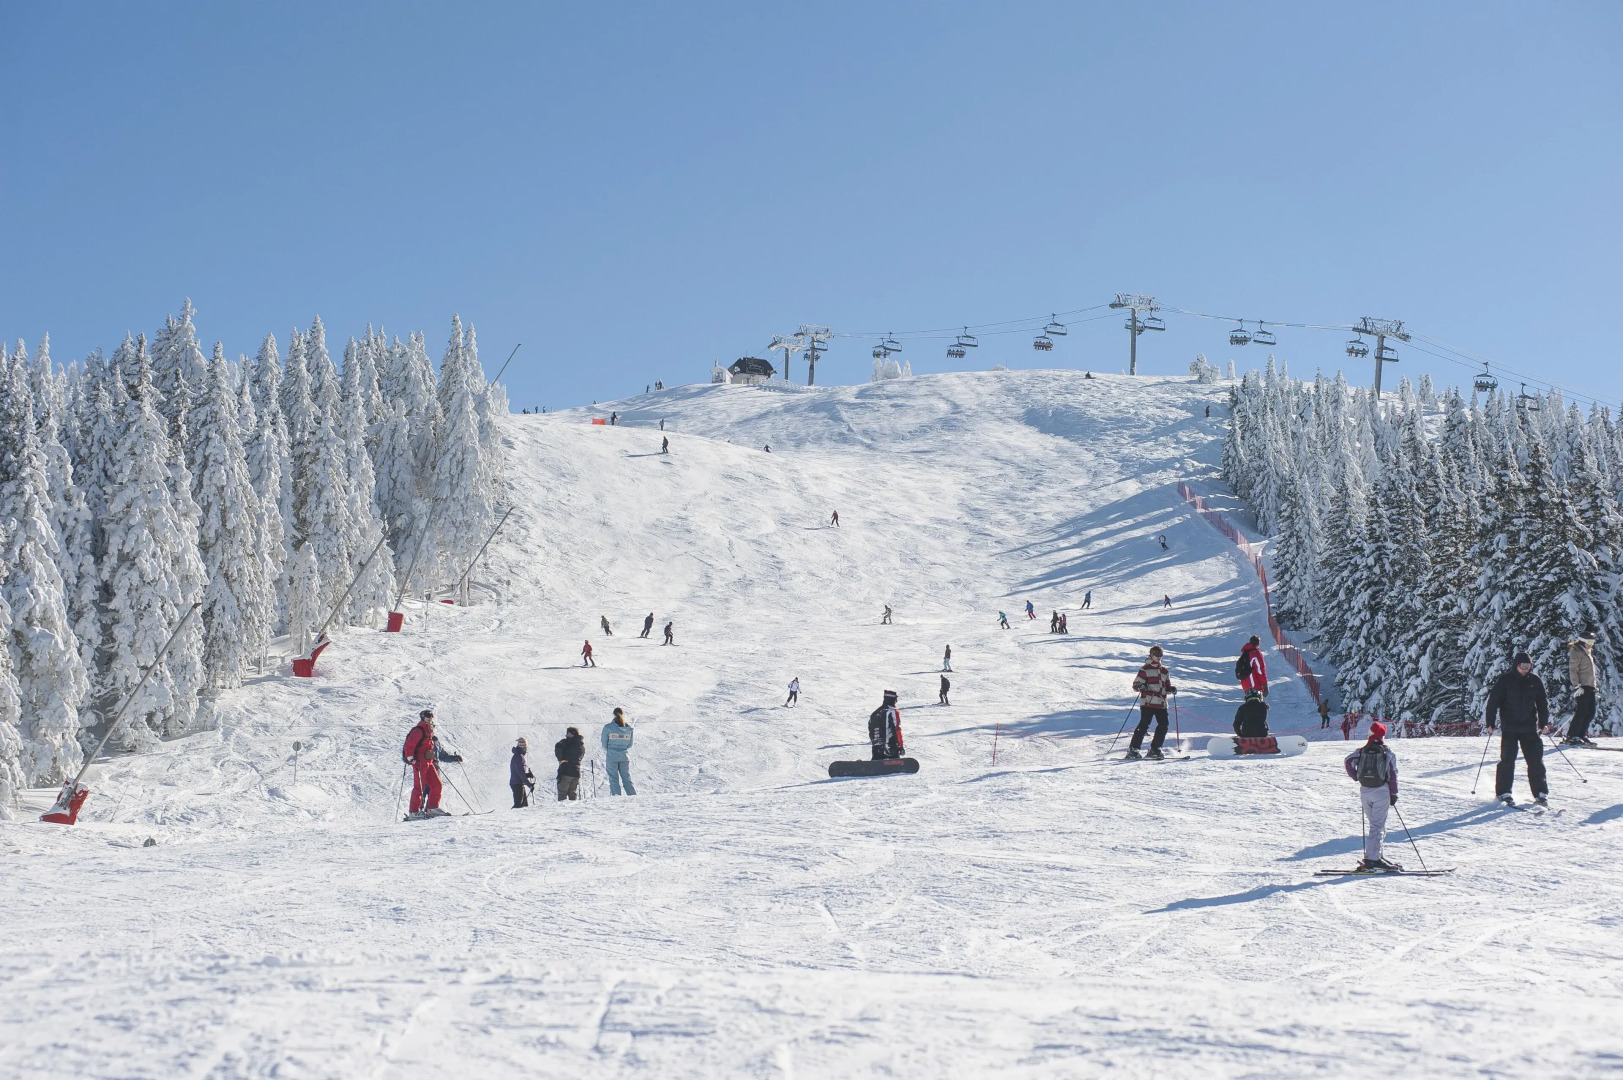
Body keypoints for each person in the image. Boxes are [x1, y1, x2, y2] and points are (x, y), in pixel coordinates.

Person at [1485, 651, 1550, 806]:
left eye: (1529, 666)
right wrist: (1490, 723)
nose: (1526, 669)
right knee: (1507, 760)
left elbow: (1542, 703)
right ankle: (1504, 792)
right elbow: (1493, 702)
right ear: (1517, 665)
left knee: (1535, 761)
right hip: (1510, 728)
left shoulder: (1535, 681)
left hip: (1529, 728)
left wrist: (1543, 722)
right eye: (1523, 666)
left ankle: (1540, 792)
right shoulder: (1506, 680)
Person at [1345, 721, 1401, 871]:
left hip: (1365, 790)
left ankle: (1375, 856)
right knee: (1378, 826)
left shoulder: (1362, 751)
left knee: (1374, 825)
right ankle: (1373, 860)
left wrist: (1356, 777)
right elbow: (1392, 774)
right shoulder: (1386, 752)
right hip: (1381, 791)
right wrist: (1393, 793)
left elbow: (1348, 761)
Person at [402, 710, 462, 815]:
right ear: (423, 717)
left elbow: (434, 750)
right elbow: (409, 745)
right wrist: (410, 758)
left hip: (429, 763)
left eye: (431, 716)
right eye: (428, 716)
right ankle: (414, 812)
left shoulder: (429, 732)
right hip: (420, 763)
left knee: (437, 785)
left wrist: (434, 758)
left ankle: (432, 808)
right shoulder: (418, 730)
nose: (430, 718)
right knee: (419, 788)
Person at [1127, 646, 1176, 759]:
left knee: (1164, 725)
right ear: (1151, 655)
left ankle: (1155, 749)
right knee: (1144, 725)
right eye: (1156, 655)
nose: (1158, 657)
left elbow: (1166, 687)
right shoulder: (1145, 669)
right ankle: (1133, 750)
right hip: (1148, 702)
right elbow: (1135, 685)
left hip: (1161, 703)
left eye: (1160, 655)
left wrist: (1171, 689)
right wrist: (1141, 687)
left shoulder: (1164, 671)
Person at [1566, 627, 1599, 746]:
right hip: (1582, 687)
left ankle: (1580, 734)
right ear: (1582, 641)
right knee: (1582, 711)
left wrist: (1593, 685)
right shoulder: (1576, 651)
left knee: (1590, 712)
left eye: (1593, 642)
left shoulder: (1587, 652)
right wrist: (1577, 686)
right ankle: (1572, 736)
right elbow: (1573, 670)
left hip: (1589, 686)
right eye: (1590, 642)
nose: (1591, 644)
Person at [601, 708, 636, 795]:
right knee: (626, 777)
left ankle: (616, 797)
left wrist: (610, 749)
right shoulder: (628, 728)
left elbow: (604, 742)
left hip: (612, 755)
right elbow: (630, 744)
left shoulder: (608, 727)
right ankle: (633, 795)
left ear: (613, 715)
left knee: (613, 778)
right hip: (624, 755)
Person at [868, 691, 904, 760]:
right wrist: (900, 746)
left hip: (876, 748)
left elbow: (870, 730)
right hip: (890, 748)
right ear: (893, 699)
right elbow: (896, 730)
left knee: (876, 765)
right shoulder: (892, 711)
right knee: (894, 768)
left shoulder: (874, 713)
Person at [555, 726, 584, 800]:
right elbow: (581, 756)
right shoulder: (581, 745)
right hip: (576, 772)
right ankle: (574, 810)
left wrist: (561, 759)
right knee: (572, 794)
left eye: (567, 733)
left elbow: (557, 747)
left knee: (562, 795)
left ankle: (562, 811)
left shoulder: (565, 742)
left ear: (570, 734)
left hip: (565, 771)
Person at [510, 738, 534, 808]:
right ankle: (510, 818)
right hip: (517, 784)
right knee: (519, 806)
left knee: (523, 805)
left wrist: (528, 775)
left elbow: (519, 773)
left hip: (517, 783)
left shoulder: (518, 756)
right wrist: (529, 785)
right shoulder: (519, 757)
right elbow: (521, 774)